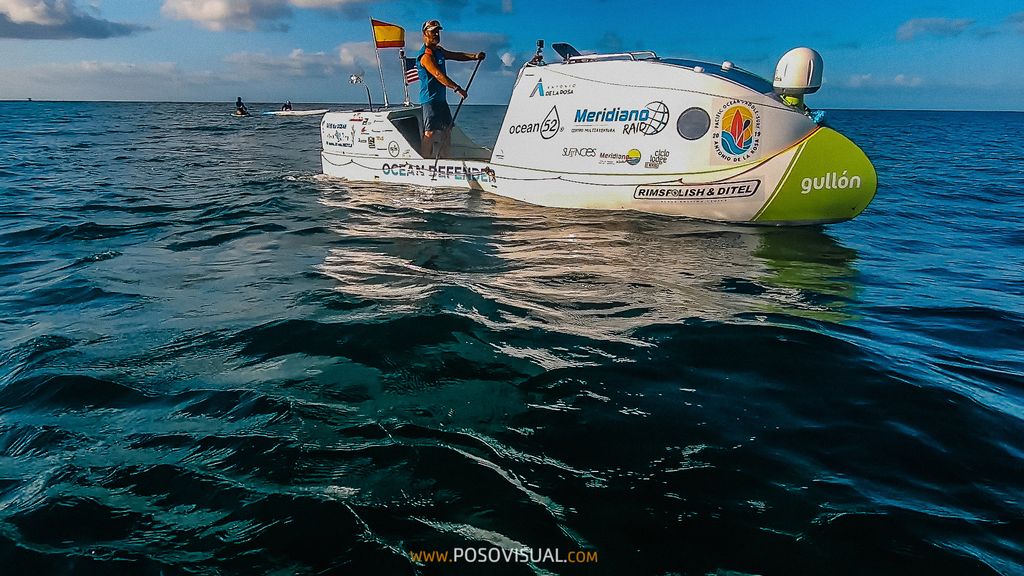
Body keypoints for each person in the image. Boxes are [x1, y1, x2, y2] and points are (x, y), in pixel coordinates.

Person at [416, 19, 485, 158]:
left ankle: (445, 159)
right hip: (430, 100)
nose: (436, 34)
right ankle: (424, 162)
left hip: (441, 100)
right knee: (430, 132)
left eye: (437, 31)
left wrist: (474, 57)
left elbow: (456, 55)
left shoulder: (439, 50)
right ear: (425, 33)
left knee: (447, 130)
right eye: (433, 31)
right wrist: (457, 88)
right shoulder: (426, 56)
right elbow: (438, 75)